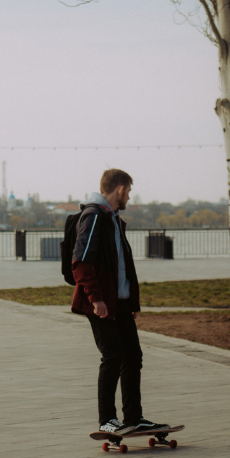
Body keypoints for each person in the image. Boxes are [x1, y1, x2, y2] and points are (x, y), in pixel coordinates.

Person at [71, 168, 164, 435]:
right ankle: (107, 420)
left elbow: (122, 266)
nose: (129, 198)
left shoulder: (112, 219)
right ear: (120, 190)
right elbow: (80, 262)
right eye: (129, 192)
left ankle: (134, 417)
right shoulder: (94, 217)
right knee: (112, 356)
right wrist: (96, 298)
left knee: (132, 356)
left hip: (119, 302)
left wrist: (131, 302)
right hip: (100, 303)